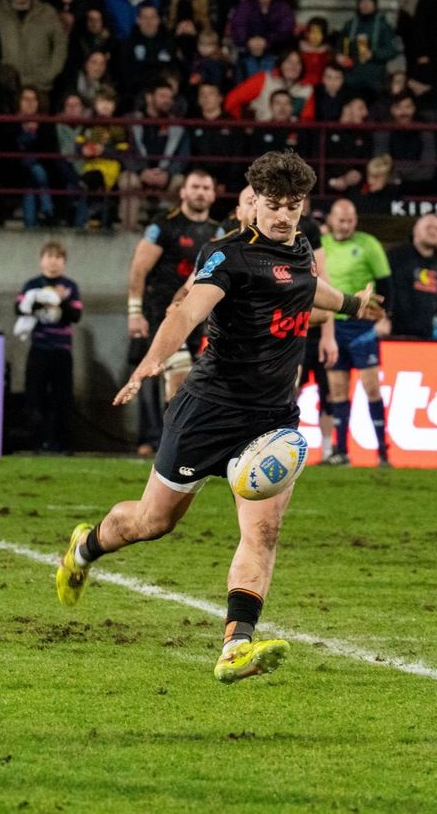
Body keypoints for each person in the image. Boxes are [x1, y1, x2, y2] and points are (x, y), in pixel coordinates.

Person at [54, 150, 384, 684]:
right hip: (209, 412)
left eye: (292, 206)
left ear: (303, 206)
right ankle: (85, 547)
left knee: (264, 531)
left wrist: (351, 302)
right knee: (152, 523)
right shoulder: (228, 255)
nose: (282, 216)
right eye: (273, 205)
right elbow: (187, 309)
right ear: (254, 202)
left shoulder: (301, 247)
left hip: (272, 418)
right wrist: (153, 360)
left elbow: (305, 288)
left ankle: (236, 645)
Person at [126, 170, 220, 457]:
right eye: (195, 186)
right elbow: (139, 268)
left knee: (184, 375)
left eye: (206, 187)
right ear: (183, 192)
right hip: (158, 311)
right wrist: (134, 311)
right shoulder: (164, 224)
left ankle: (176, 439)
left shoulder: (218, 233)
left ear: (213, 194)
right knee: (152, 371)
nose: (200, 192)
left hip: (195, 315)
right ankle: (151, 438)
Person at [321, 198, 394, 468]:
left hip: (363, 325)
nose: (345, 225)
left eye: (350, 220)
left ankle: (383, 453)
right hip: (333, 325)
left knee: (371, 387)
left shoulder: (368, 244)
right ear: (331, 219)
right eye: (341, 220)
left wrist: (385, 317)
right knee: (337, 390)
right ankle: (341, 452)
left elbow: (386, 284)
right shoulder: (322, 245)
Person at [16, 241, 82, 453]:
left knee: (62, 397)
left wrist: (61, 300)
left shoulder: (70, 286)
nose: (53, 261)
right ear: (41, 260)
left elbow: (76, 315)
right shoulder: (32, 285)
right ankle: (37, 442)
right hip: (39, 347)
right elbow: (19, 308)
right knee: (35, 395)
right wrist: (41, 299)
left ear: (64, 262)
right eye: (49, 256)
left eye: (58, 257)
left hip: (62, 349)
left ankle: (61, 443)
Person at [385, 214, 437, 340]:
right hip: (394, 334)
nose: (433, 231)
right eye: (428, 227)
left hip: (425, 338)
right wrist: (381, 319)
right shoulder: (395, 255)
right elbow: (380, 287)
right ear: (415, 230)